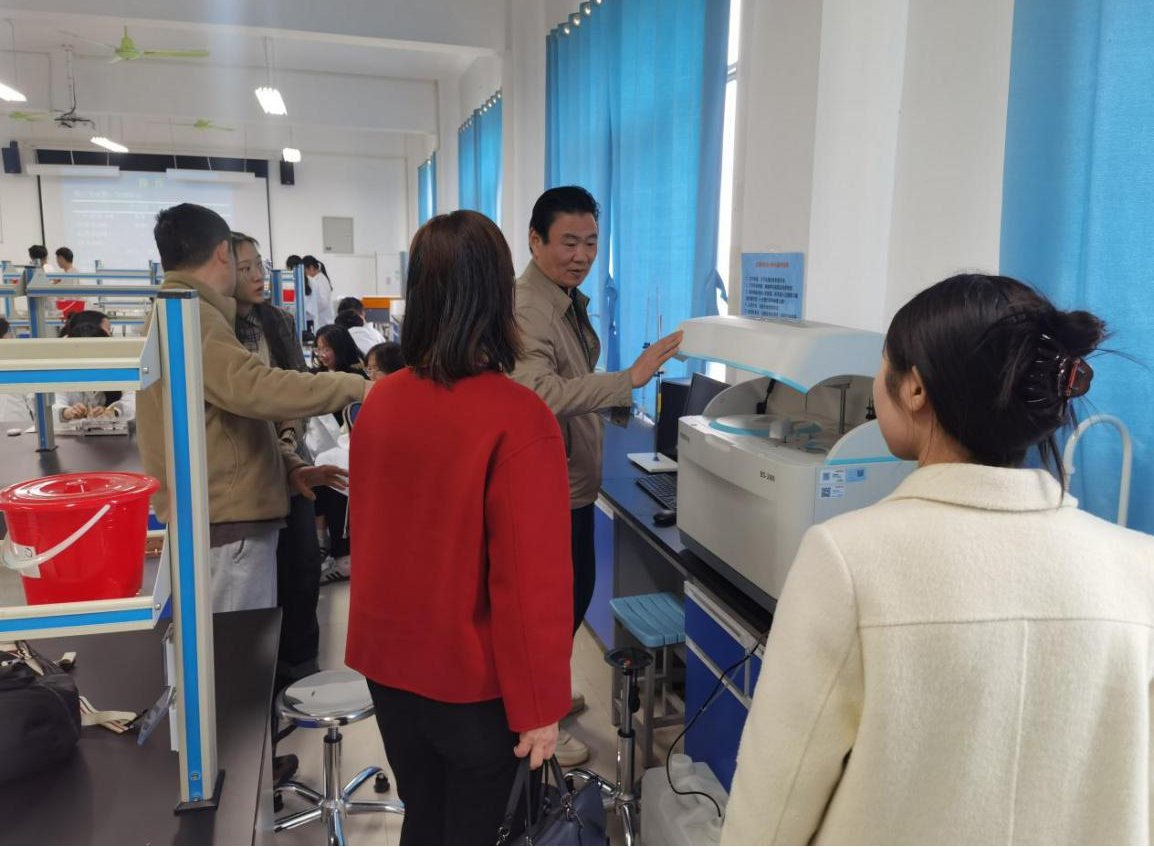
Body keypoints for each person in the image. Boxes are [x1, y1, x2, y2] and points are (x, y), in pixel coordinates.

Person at [722, 274, 1154, 846]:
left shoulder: (847, 561)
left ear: (915, 390)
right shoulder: (1141, 566)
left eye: (881, 367)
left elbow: (772, 809)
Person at [347, 210, 572, 846]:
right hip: (472, 688)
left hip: (389, 671)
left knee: (424, 815)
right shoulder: (519, 419)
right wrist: (540, 708)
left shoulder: (382, 400)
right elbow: (530, 585)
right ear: (498, 296)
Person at [510, 186, 682, 766]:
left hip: (574, 482)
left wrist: (616, 403)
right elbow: (538, 393)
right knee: (551, 612)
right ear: (535, 240)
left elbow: (571, 375)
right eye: (569, 242)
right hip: (549, 487)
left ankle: (550, 699)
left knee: (572, 598)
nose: (582, 255)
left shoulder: (563, 296)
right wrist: (627, 380)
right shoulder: (528, 308)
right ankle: (540, 726)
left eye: (590, 242)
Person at [137, 203, 368, 614]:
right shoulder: (193, 316)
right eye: (245, 265)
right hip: (227, 522)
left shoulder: (190, 311)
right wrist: (357, 386)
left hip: (229, 513)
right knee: (237, 644)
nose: (257, 275)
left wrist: (287, 467)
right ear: (222, 253)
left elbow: (230, 420)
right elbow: (256, 389)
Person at [232, 232, 342, 688]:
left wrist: (289, 441)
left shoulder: (276, 321)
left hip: (290, 458)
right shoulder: (216, 333)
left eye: (259, 265)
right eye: (245, 269)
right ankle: (264, 680)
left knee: (302, 567)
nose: (259, 276)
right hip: (249, 471)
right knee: (260, 583)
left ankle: (301, 665)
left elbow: (295, 388)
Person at [310, 323, 367, 583]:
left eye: (327, 348)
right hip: (324, 451)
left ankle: (342, 556)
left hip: (349, 453)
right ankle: (323, 543)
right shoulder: (316, 377)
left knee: (338, 494)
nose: (322, 354)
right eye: (318, 349)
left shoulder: (355, 380)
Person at [53, 322, 136, 423]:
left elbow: (133, 402)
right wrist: (66, 412)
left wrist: (112, 412)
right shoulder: (61, 373)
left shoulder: (117, 369)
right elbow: (53, 406)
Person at [301, 254, 334, 331]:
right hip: (321, 322)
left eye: (305, 271)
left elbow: (323, 302)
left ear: (311, 268)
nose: (305, 275)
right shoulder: (317, 279)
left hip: (324, 322)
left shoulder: (320, 280)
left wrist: (310, 311)